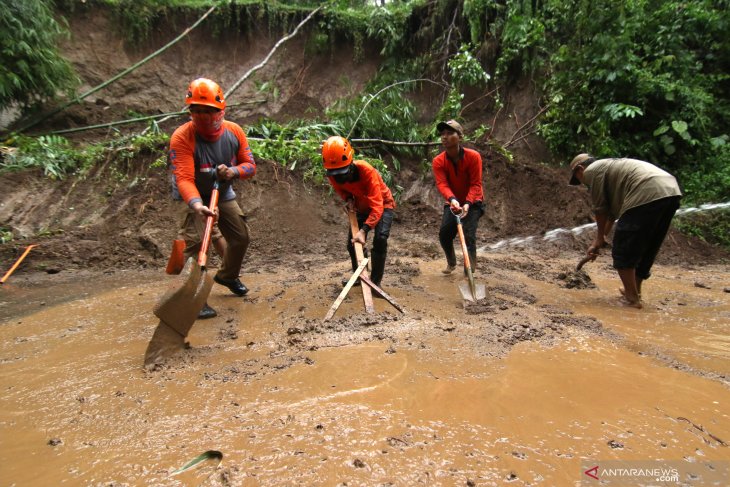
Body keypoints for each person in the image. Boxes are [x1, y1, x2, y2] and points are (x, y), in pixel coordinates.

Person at [168, 77, 256, 318]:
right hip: (193, 194)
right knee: (196, 243)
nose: (204, 118)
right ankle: (191, 296)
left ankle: (227, 276)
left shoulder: (234, 132)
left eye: (209, 112)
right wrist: (198, 206)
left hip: (222, 190)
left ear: (221, 111)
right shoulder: (182, 137)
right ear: (190, 113)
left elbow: (250, 166)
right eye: (197, 112)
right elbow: (185, 178)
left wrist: (233, 171)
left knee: (240, 237)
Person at [568, 153, 682, 308]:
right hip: (670, 189)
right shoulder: (609, 170)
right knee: (647, 244)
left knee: (623, 247)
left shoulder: (592, 171)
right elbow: (611, 215)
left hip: (646, 189)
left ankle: (631, 297)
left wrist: (599, 238)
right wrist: (600, 239)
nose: (582, 183)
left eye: (578, 178)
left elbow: (600, 209)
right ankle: (635, 290)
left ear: (580, 169)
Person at [322, 135, 395, 290]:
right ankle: (360, 275)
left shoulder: (366, 171)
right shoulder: (333, 174)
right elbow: (341, 190)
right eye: (335, 175)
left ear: (350, 163)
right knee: (353, 244)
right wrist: (349, 199)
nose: (339, 178)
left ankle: (375, 282)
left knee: (380, 239)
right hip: (361, 206)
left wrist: (364, 230)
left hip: (383, 204)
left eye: (342, 173)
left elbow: (377, 206)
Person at [432, 119, 485, 274]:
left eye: (449, 133)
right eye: (442, 134)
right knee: (444, 235)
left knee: (469, 236)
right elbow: (442, 184)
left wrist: (468, 203)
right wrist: (453, 200)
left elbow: (476, 184)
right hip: (452, 202)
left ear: (460, 137)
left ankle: (470, 270)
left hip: (473, 201)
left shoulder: (473, 157)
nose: (444, 137)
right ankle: (451, 262)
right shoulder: (438, 161)